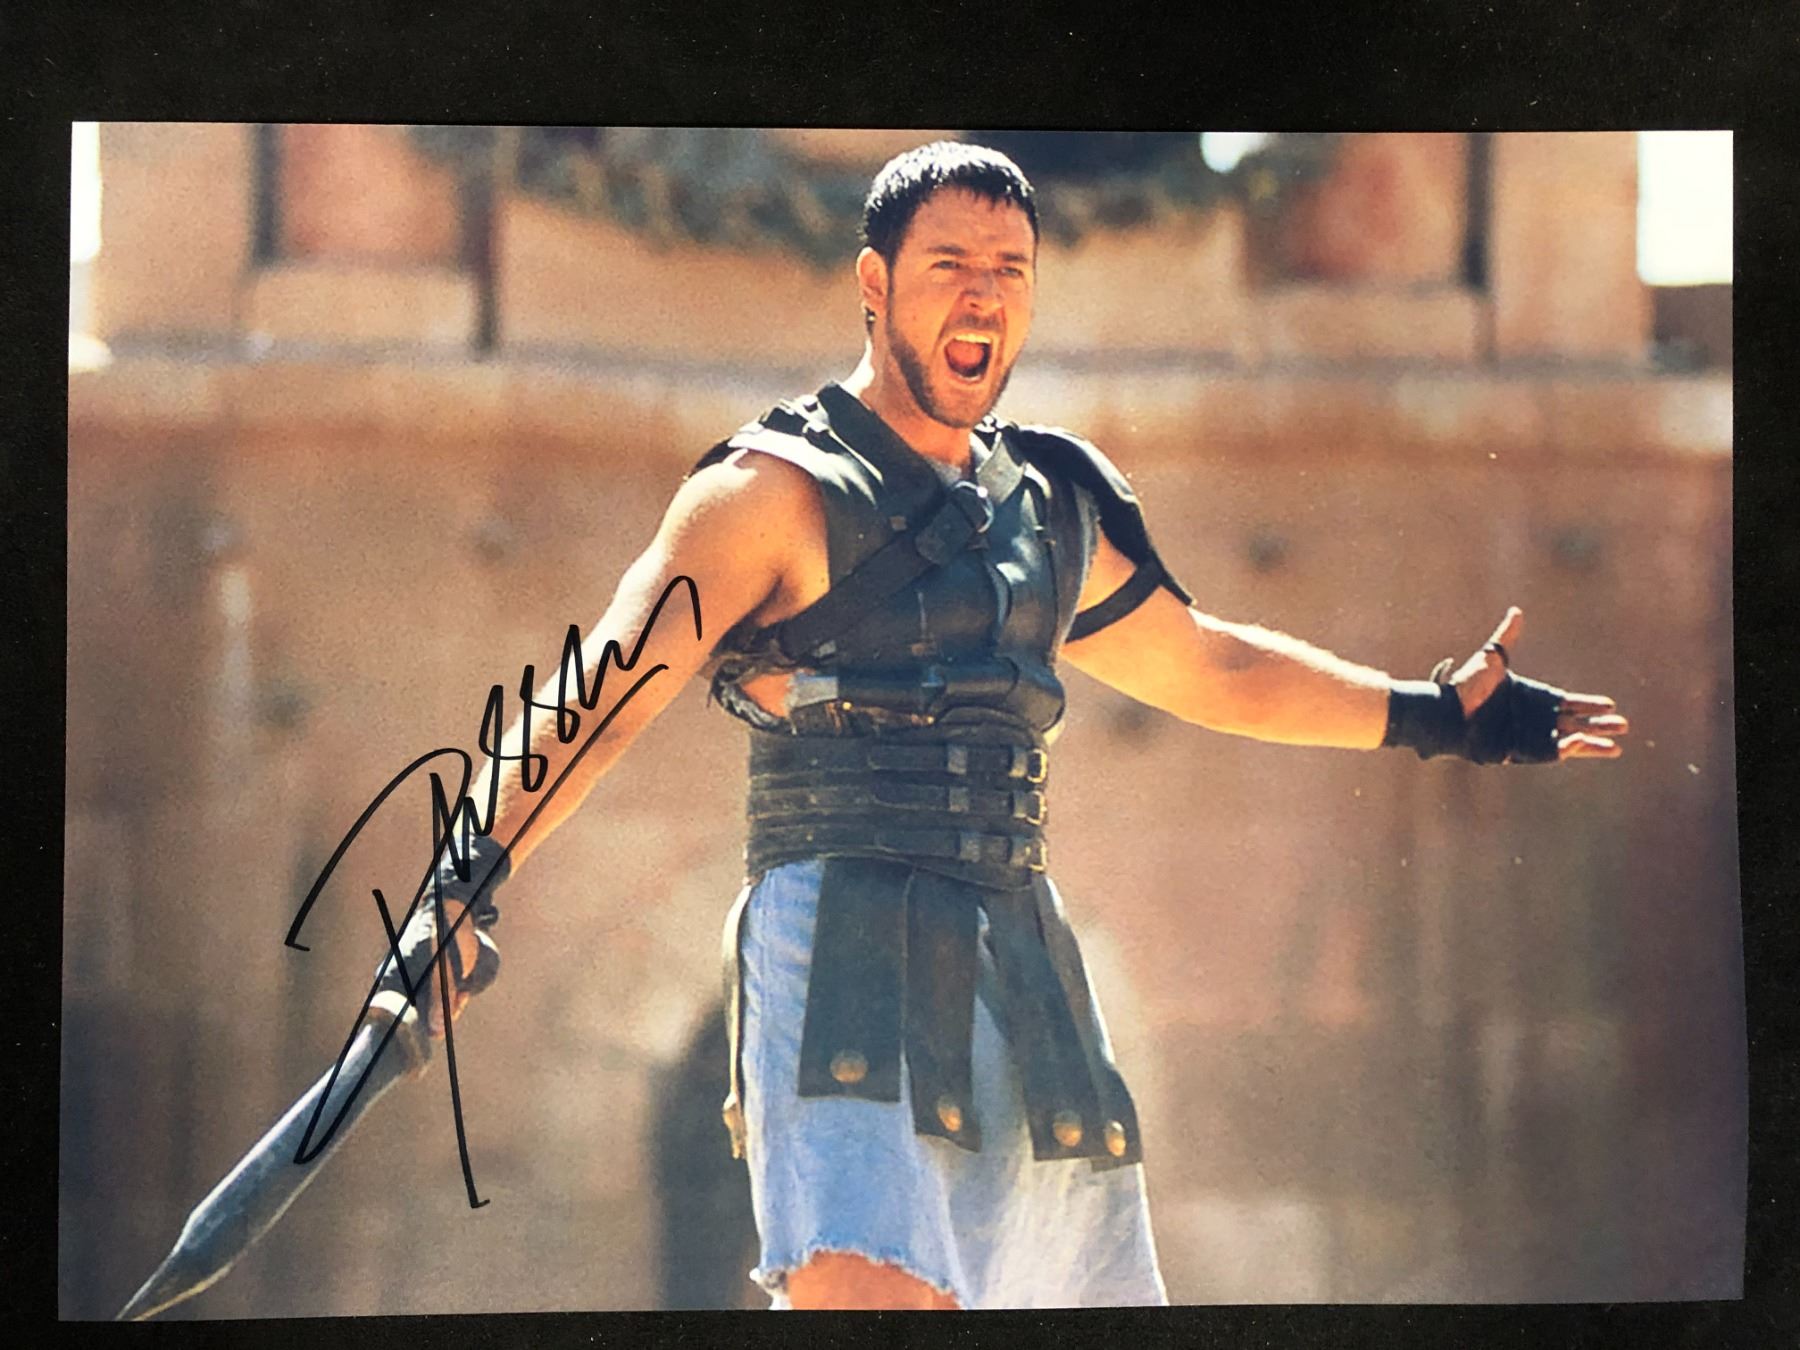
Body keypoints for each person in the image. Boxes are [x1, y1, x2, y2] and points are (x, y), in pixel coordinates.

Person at [400, 142, 1629, 1310]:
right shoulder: (766, 495)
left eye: (1010, 270)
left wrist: (1438, 714)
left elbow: (1212, 666)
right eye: (950, 265)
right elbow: (600, 696)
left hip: (1022, 963)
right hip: (841, 958)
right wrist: (460, 881)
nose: (983, 295)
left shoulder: (1046, 507)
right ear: (875, 283)